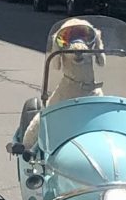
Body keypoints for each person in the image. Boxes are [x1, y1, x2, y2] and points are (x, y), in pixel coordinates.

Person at [14, 19, 105, 153]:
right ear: (59, 48)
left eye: (85, 37)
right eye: (66, 39)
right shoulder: (60, 98)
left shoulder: (99, 96)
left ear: (95, 43)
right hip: (59, 150)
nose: (78, 46)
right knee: (34, 132)